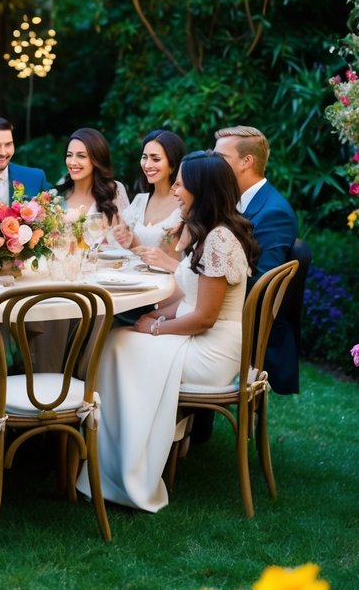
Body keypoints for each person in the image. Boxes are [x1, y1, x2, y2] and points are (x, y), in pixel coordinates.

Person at [78, 151, 258, 512]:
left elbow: (205, 317)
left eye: (181, 182)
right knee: (115, 342)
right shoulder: (212, 231)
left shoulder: (220, 240)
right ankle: (112, 462)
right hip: (203, 336)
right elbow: (193, 296)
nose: (175, 189)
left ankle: (128, 469)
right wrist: (156, 318)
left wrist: (157, 327)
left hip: (212, 351)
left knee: (115, 347)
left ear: (201, 189)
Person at [214, 124, 300, 393]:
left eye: (221, 159)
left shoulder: (274, 212)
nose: (213, 165)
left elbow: (259, 284)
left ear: (246, 162)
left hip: (239, 324)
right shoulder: (230, 201)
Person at [113, 129, 186, 256]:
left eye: (156, 159)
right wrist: (127, 238)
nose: (147, 165)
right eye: (144, 157)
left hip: (169, 275)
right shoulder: (139, 201)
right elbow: (129, 250)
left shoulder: (184, 204)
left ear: (173, 165)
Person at [56, 127, 129, 222]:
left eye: (81, 156)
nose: (72, 162)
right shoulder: (58, 195)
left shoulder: (114, 190)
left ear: (97, 159)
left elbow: (127, 232)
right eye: (69, 155)